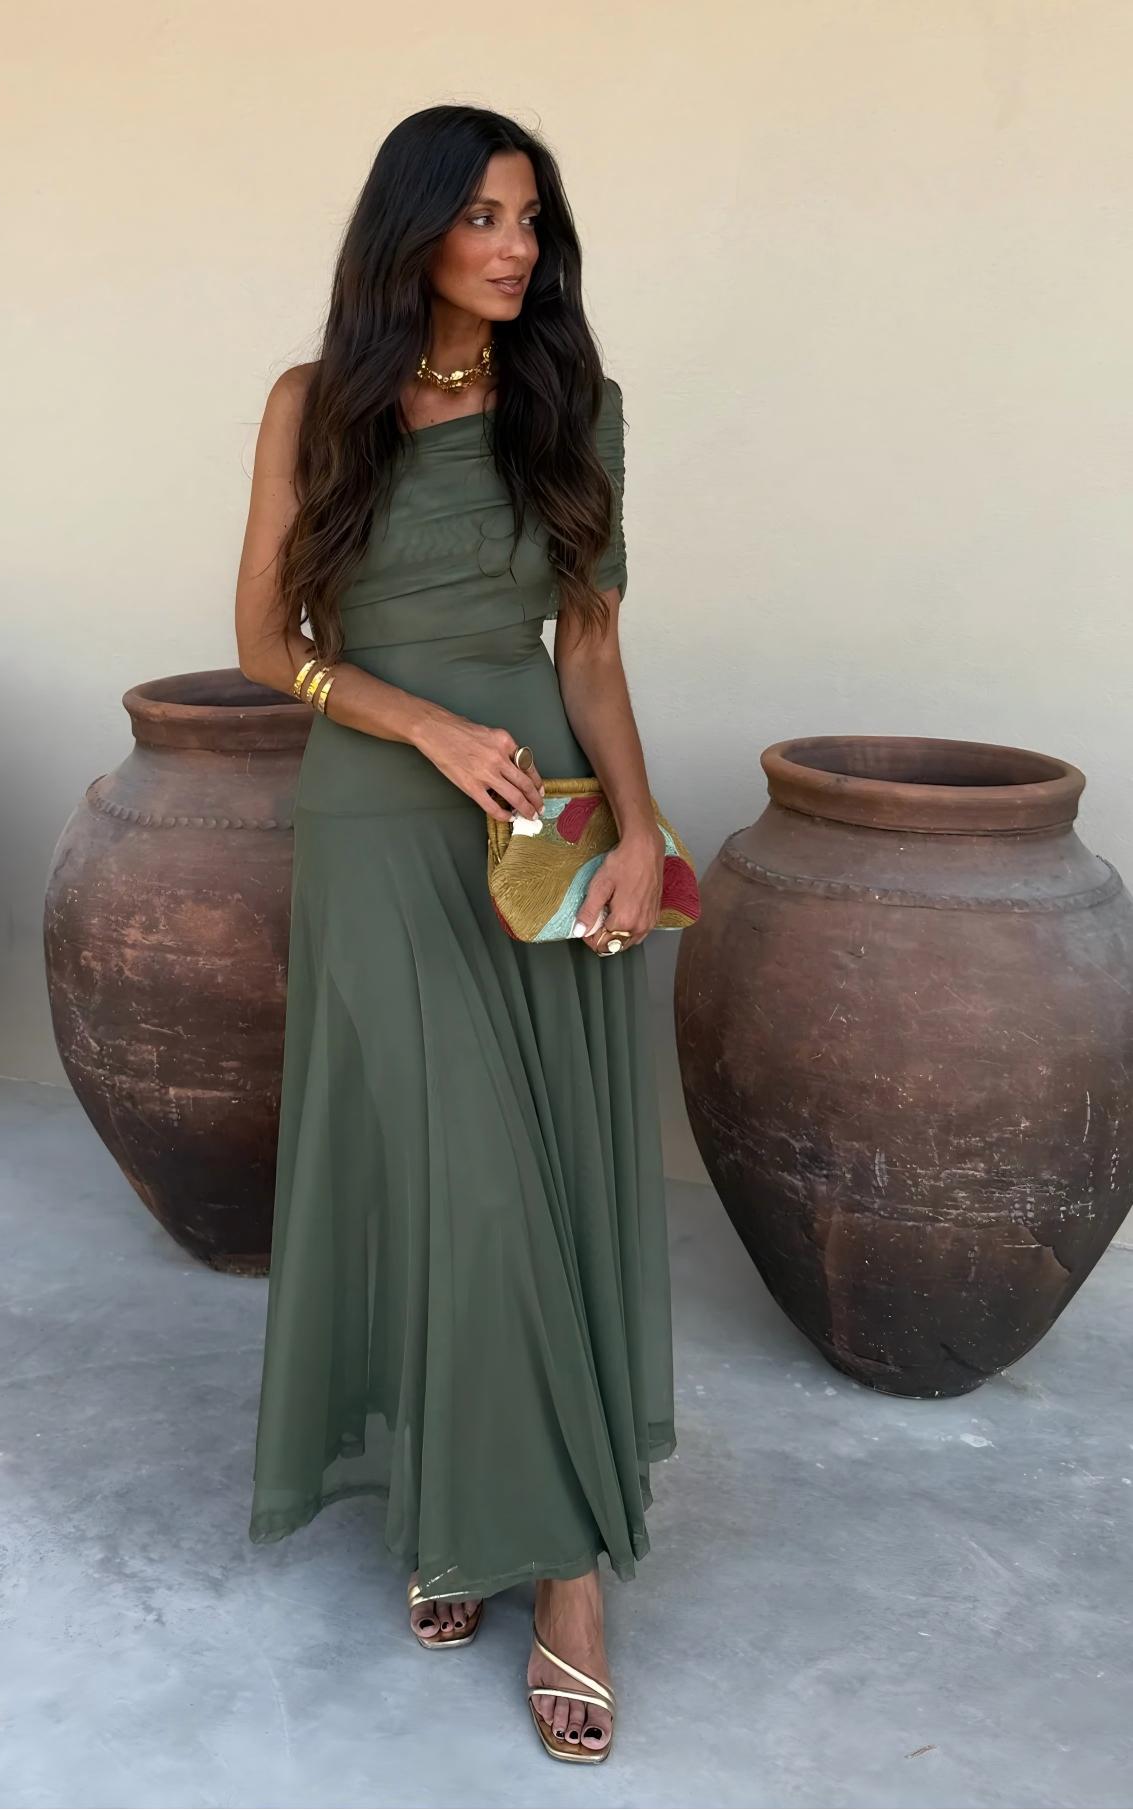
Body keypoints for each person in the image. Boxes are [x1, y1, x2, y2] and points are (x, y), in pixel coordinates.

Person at [235, 103, 676, 1765]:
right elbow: (262, 635)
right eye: (484, 215)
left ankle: (553, 1570)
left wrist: (640, 831)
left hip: (534, 828)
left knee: (523, 1178)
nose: (514, 247)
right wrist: (415, 722)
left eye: (531, 220)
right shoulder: (313, 403)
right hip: (374, 819)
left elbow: (592, 654)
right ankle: (490, 1521)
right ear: (412, 227)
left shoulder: (576, 406)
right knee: (448, 1178)